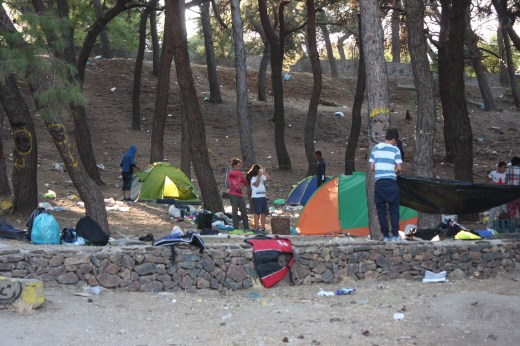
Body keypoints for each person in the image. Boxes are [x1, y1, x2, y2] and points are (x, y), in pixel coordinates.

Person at [369, 129, 403, 241]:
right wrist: (395, 170)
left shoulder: (375, 148)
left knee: (381, 211)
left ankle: (385, 236)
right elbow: (399, 168)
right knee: (394, 210)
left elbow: (372, 167)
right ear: (394, 139)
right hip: (391, 183)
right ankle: (395, 236)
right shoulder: (395, 150)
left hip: (379, 184)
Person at [227, 158, 250, 230]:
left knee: (244, 211)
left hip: (240, 195)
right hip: (233, 194)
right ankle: (235, 228)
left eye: (240, 166)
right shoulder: (231, 172)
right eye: (238, 166)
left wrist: (247, 177)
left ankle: (246, 227)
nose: (240, 168)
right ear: (234, 166)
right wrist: (242, 173)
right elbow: (234, 173)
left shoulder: (240, 174)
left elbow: (246, 183)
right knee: (235, 211)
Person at [247, 164, 271, 232]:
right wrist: (259, 176)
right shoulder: (252, 178)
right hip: (256, 197)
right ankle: (256, 227)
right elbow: (256, 185)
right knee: (257, 213)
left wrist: (264, 173)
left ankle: (263, 227)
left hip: (263, 196)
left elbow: (269, 178)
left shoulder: (261, 176)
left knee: (263, 213)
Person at [486, 161, 508, 230]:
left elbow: (507, 183)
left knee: (503, 211)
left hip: (503, 196)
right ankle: (489, 227)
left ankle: (503, 226)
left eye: (505, 167)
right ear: (499, 167)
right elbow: (487, 180)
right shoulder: (493, 173)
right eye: (504, 167)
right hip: (494, 195)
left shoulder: (506, 174)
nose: (505, 169)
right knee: (492, 211)